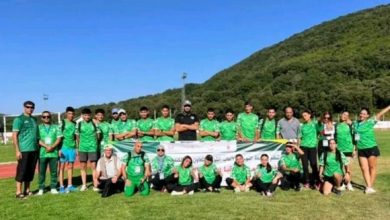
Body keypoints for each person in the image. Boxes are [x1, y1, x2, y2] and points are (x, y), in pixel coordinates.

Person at [353, 106, 390, 194]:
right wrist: (354, 149)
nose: (362, 115)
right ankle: (369, 186)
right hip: (361, 149)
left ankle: (369, 186)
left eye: (364, 114)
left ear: (367, 116)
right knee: (363, 168)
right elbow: (355, 137)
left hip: (371, 148)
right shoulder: (355, 123)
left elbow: (380, 114)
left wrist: (389, 107)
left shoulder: (370, 122)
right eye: (361, 113)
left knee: (372, 167)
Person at [12, 101, 39, 199]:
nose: (30, 109)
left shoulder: (34, 119)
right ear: (24, 107)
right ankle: (18, 192)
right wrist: (17, 150)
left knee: (30, 171)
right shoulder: (19, 119)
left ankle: (27, 190)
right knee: (21, 171)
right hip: (24, 149)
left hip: (34, 149)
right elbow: (14, 136)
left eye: (32, 107)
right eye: (28, 107)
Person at [37, 111, 62, 195]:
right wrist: (46, 146)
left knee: (54, 171)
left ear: (51, 117)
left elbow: (59, 138)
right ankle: (41, 188)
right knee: (41, 172)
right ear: (41, 118)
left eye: (48, 116)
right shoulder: (39, 127)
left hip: (53, 153)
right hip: (43, 153)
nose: (46, 118)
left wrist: (52, 147)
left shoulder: (56, 127)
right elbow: (38, 139)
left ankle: (53, 187)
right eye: (44, 117)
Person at [76, 108, 101, 191]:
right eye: (85, 115)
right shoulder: (79, 124)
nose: (87, 117)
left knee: (94, 166)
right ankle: (84, 185)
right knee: (83, 167)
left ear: (90, 115)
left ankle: (95, 185)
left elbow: (98, 135)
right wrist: (79, 146)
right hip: (82, 148)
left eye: (88, 115)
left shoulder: (94, 123)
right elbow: (77, 136)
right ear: (82, 115)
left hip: (92, 148)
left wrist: (94, 143)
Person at [298, 109, 320, 189]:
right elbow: (300, 137)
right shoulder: (302, 126)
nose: (304, 117)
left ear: (310, 115)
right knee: (304, 165)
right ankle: (307, 181)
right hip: (303, 147)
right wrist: (298, 147)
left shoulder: (315, 124)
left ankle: (317, 181)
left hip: (312, 147)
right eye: (303, 116)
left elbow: (321, 130)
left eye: (305, 115)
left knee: (313, 165)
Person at [59, 106, 78, 193]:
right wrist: (59, 149)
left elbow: (75, 137)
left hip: (72, 148)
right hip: (64, 148)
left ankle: (70, 185)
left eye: (73, 114)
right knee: (62, 167)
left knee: (70, 166)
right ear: (66, 114)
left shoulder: (75, 124)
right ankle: (61, 186)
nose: (71, 115)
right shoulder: (62, 122)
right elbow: (59, 137)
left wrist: (76, 148)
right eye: (69, 113)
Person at [335, 110, 355, 191]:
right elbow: (334, 136)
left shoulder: (350, 125)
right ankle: (343, 183)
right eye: (344, 114)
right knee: (340, 167)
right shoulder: (336, 125)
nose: (345, 116)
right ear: (341, 115)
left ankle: (348, 183)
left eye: (347, 115)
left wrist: (354, 148)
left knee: (348, 167)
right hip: (339, 149)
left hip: (348, 148)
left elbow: (355, 136)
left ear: (348, 117)